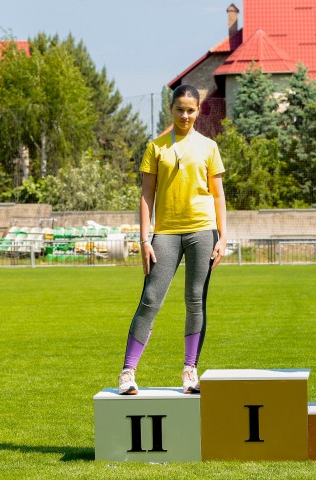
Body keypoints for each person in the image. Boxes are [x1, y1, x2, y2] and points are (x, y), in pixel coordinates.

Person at [118, 84, 227, 395]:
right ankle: (128, 372)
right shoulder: (156, 148)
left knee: (196, 301)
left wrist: (223, 237)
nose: (185, 115)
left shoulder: (209, 147)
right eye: (180, 109)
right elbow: (146, 196)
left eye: (191, 110)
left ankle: (190, 371)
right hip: (164, 233)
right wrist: (144, 239)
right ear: (172, 109)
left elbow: (218, 195)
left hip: (202, 232)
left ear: (198, 111)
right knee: (150, 299)